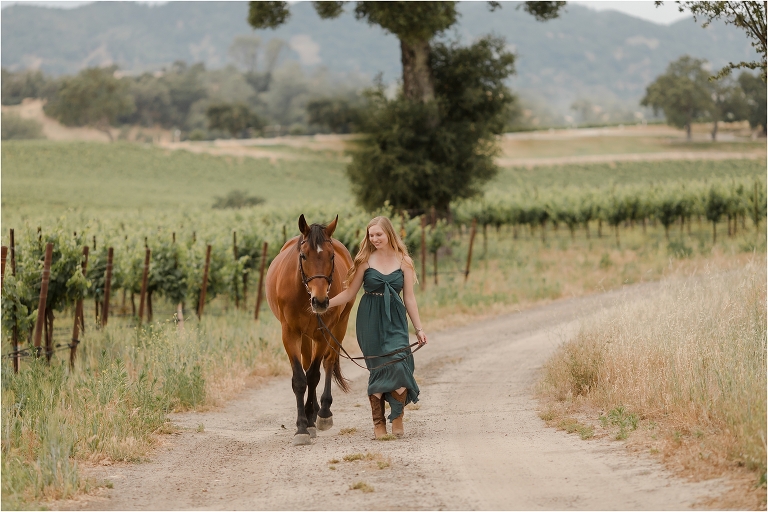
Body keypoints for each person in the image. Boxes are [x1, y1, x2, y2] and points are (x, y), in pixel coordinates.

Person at [328, 216, 427, 439]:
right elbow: (349, 293)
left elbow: (410, 299)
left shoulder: (405, 261)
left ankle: (397, 417)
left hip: (395, 317)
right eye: (371, 235)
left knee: (401, 364)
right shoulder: (364, 260)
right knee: (379, 368)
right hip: (369, 318)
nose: (374, 239)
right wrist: (325, 303)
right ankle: (378, 424)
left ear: (389, 234)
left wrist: (419, 329)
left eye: (378, 234)